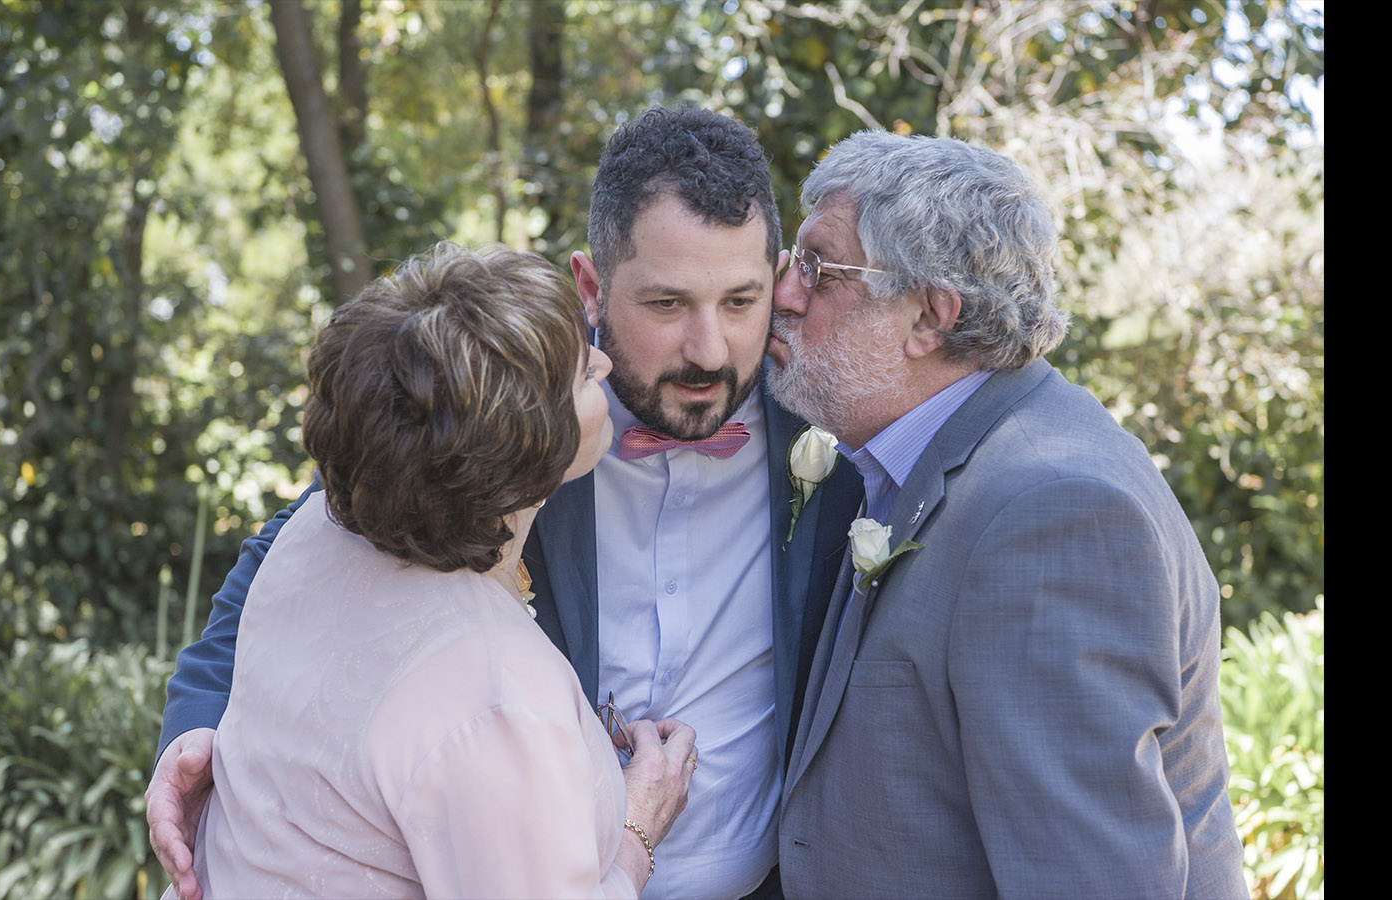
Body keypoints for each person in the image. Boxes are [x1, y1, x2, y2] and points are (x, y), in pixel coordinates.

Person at [147, 106, 864, 900]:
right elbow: (298, 553)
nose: (708, 348)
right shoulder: (482, 412)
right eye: (665, 305)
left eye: (740, 301)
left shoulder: (836, 422)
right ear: (590, 287)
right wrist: (195, 737)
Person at [767, 130, 1248, 898]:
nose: (783, 292)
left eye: (819, 267)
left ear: (930, 317)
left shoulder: (1052, 511)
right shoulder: (924, 459)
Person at [163, 241, 696, 898]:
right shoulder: (497, 693)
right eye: (581, 375)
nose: (605, 359)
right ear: (520, 448)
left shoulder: (317, 532)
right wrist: (638, 827)